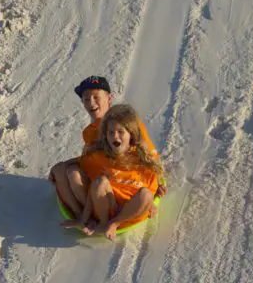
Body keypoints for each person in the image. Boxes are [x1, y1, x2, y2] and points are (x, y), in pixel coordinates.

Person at [49, 75, 157, 219]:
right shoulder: (89, 132)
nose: (91, 103)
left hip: (124, 180)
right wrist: (65, 165)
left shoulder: (126, 121)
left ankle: (96, 214)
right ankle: (81, 216)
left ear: (109, 99)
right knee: (64, 170)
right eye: (86, 99)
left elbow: (147, 152)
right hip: (102, 177)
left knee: (73, 172)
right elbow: (90, 157)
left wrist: (156, 187)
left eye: (96, 97)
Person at [65, 103, 167, 240]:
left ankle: (114, 223)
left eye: (120, 132)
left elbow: (151, 195)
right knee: (100, 181)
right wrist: (84, 217)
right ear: (105, 136)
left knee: (146, 194)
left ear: (131, 134)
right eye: (111, 132)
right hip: (107, 206)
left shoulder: (142, 159)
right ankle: (103, 222)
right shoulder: (99, 157)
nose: (115, 136)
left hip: (130, 212)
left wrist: (152, 204)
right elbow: (90, 186)